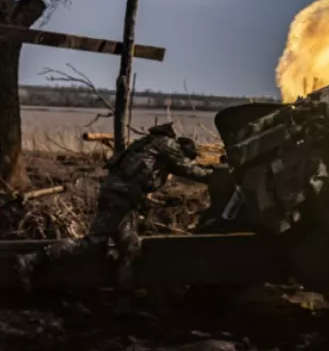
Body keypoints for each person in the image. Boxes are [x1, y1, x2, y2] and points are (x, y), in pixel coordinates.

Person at [16, 122, 214, 292]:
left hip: (120, 196)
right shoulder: (168, 146)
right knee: (94, 243)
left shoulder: (148, 144)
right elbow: (188, 169)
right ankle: (32, 259)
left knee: (129, 245)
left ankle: (124, 296)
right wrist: (216, 175)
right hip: (120, 197)